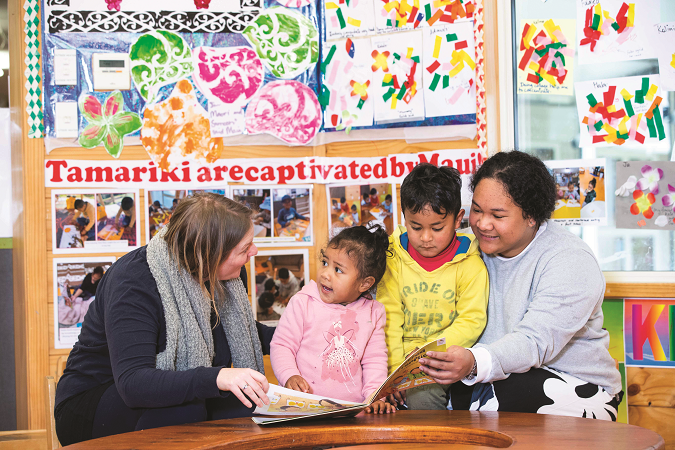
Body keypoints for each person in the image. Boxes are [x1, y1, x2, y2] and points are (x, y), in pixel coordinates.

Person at [417, 151, 622, 420]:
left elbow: (535, 342)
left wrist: (473, 361)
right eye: (477, 210)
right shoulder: (464, 250)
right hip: (485, 375)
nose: (482, 224)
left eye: (498, 216)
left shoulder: (570, 260)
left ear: (532, 217)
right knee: (417, 403)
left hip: (574, 383)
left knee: (487, 408)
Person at [54, 194, 274, 445]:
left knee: (254, 409)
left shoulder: (227, 274)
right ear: (209, 255)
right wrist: (216, 377)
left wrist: (297, 338)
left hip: (173, 392)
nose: (254, 251)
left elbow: (237, 330)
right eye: (245, 248)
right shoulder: (134, 282)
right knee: (185, 411)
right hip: (94, 402)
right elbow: (133, 383)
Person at [378, 163, 489, 411]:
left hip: (439, 360)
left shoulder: (471, 264)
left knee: (422, 399)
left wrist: (427, 355)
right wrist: (395, 373)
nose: (426, 238)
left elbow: (471, 320)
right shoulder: (392, 257)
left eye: (437, 228)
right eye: (415, 227)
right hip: (393, 361)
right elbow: (388, 316)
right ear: (404, 217)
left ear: (458, 219)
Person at [270, 224, 395, 414]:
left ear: (365, 283)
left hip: (351, 412)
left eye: (338, 270)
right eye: (325, 263)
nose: (325, 274)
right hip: (302, 407)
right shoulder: (302, 303)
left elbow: (375, 360)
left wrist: (374, 396)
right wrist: (289, 375)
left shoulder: (373, 312)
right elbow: (282, 345)